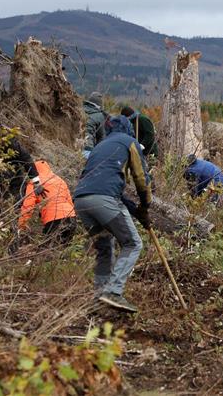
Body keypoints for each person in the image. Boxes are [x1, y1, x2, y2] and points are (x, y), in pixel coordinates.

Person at [73, 115, 152, 313]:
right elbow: (141, 179)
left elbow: (110, 187)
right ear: (128, 130)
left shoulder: (100, 147)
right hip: (104, 199)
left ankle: (99, 298)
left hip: (81, 201)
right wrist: (145, 204)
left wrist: (136, 211)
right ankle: (113, 292)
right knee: (132, 243)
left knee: (104, 247)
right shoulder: (130, 143)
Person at [18, 160, 77, 247]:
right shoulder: (60, 180)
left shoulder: (35, 183)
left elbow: (28, 206)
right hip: (71, 217)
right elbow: (69, 201)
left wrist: (21, 225)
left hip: (53, 219)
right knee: (64, 250)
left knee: (46, 252)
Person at [83, 92, 108, 159]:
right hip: (88, 147)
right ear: (99, 104)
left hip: (73, 146)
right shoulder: (99, 115)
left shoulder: (80, 109)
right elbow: (101, 136)